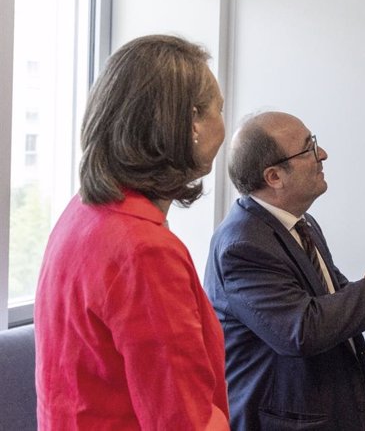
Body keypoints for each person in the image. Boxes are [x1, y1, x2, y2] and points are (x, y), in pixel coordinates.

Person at [34, 35, 230, 430]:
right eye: (218, 110)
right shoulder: (144, 251)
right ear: (190, 122)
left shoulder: (83, 212)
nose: (223, 125)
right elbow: (184, 422)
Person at [203, 111, 365, 431]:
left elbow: (335, 297)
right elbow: (303, 329)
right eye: (309, 147)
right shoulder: (242, 246)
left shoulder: (302, 223)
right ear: (274, 177)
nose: (322, 154)